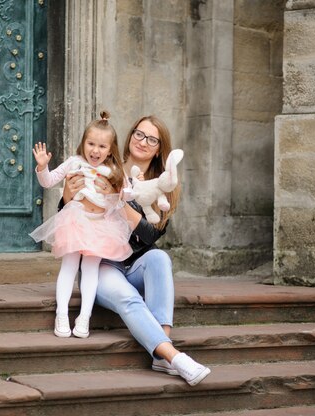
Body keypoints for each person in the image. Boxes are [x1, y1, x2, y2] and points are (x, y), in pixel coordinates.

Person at [61, 115, 211, 386]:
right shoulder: (104, 164)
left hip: (137, 265)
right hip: (101, 264)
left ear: (159, 150)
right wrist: (68, 196)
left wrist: (120, 201)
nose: (143, 142)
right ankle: (172, 356)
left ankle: (161, 356)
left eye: (152, 139)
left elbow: (151, 234)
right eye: (139, 134)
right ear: (129, 137)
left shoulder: (162, 185)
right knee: (129, 298)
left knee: (159, 257)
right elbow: (67, 217)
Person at [30, 111, 132, 339]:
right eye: (91, 143)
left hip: (102, 225)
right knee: (69, 265)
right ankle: (62, 313)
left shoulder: (115, 170)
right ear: (83, 143)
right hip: (76, 217)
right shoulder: (74, 162)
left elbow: (124, 199)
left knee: (90, 269)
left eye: (102, 146)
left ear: (111, 149)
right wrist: (42, 167)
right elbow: (48, 182)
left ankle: (84, 316)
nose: (95, 151)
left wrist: (123, 190)